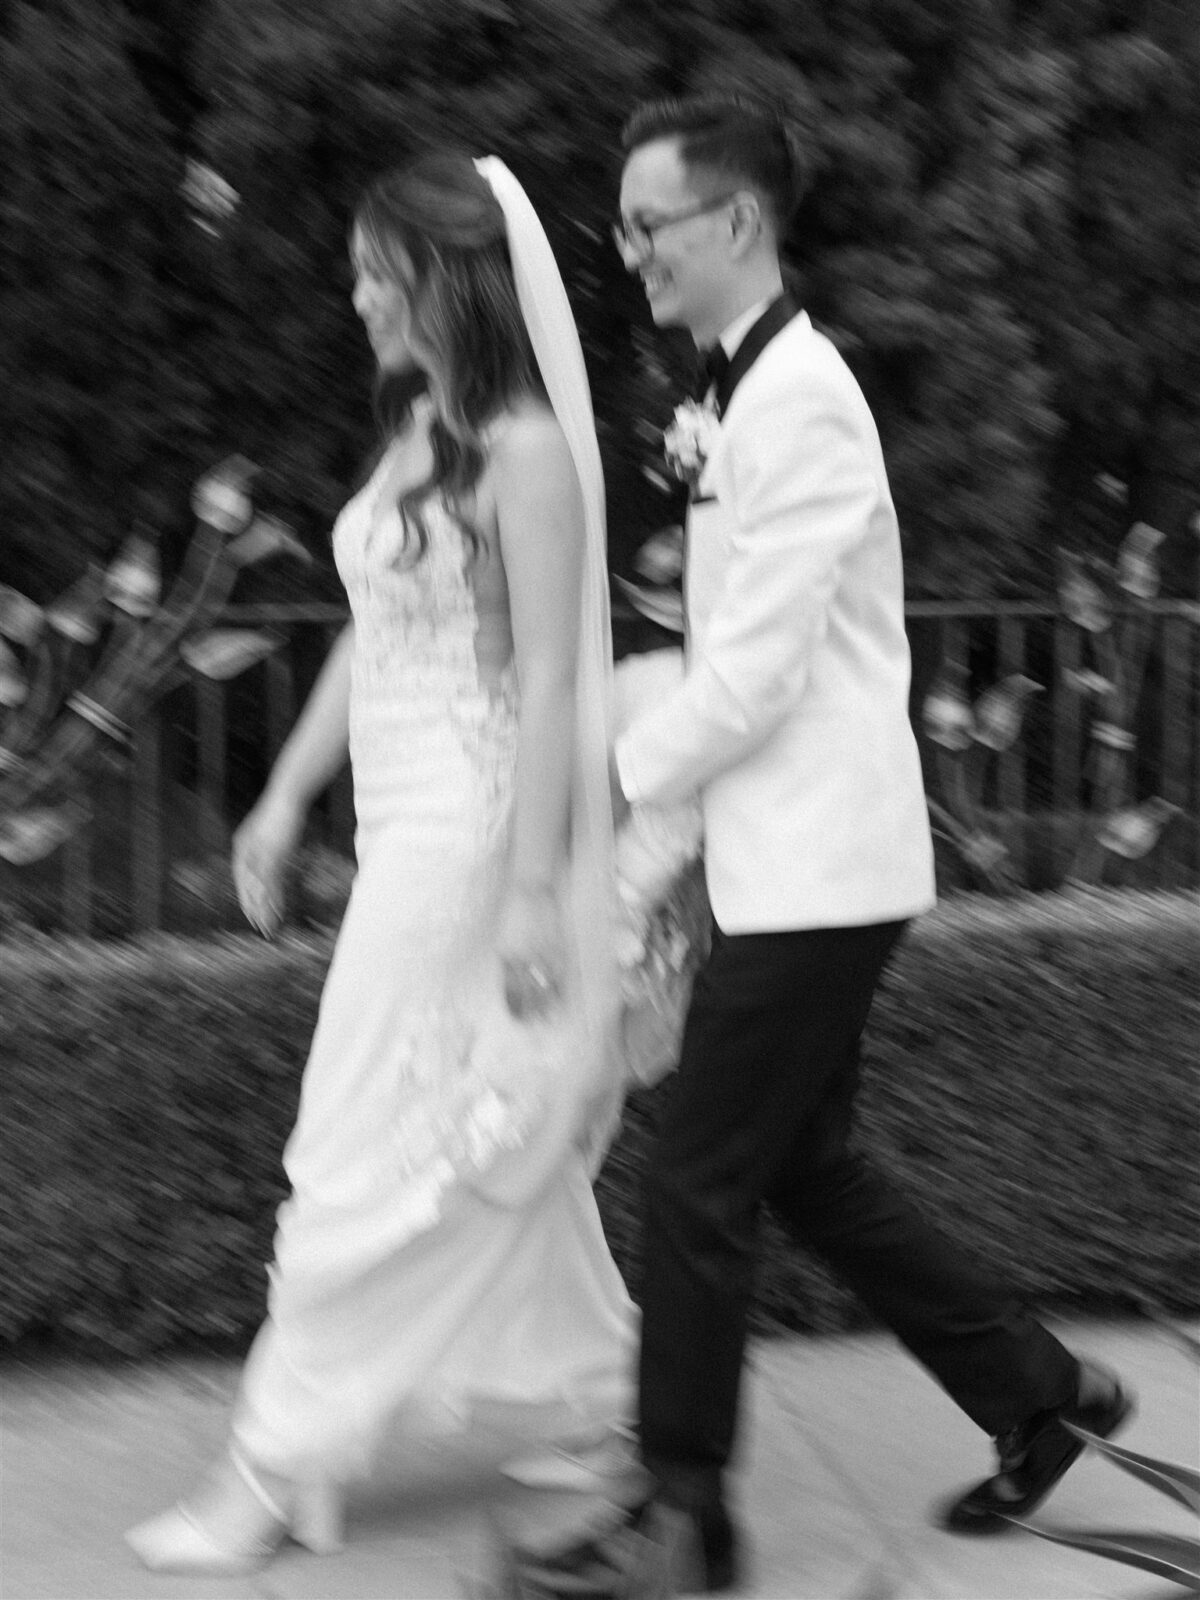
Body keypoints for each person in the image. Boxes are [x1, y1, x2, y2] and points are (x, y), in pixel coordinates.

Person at [584, 93, 1132, 1594]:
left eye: (651, 223)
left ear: (737, 223)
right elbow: (743, 663)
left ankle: (682, 1514)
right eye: (624, 226)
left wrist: (615, 781)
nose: (631, 250)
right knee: (802, 1168)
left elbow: (752, 676)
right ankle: (1043, 1400)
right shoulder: (741, 397)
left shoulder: (803, 398)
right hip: (796, 862)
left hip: (819, 869)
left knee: (696, 1174)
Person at [125, 152, 646, 1586]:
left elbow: (549, 682)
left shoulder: (529, 451)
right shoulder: (420, 422)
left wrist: (538, 885)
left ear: (442, 280)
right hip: (404, 814)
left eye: (375, 268)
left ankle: (274, 1469)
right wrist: (287, 796)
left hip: (473, 826)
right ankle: (605, 1397)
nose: (354, 291)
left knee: (359, 1136)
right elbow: (375, 630)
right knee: (460, 1117)